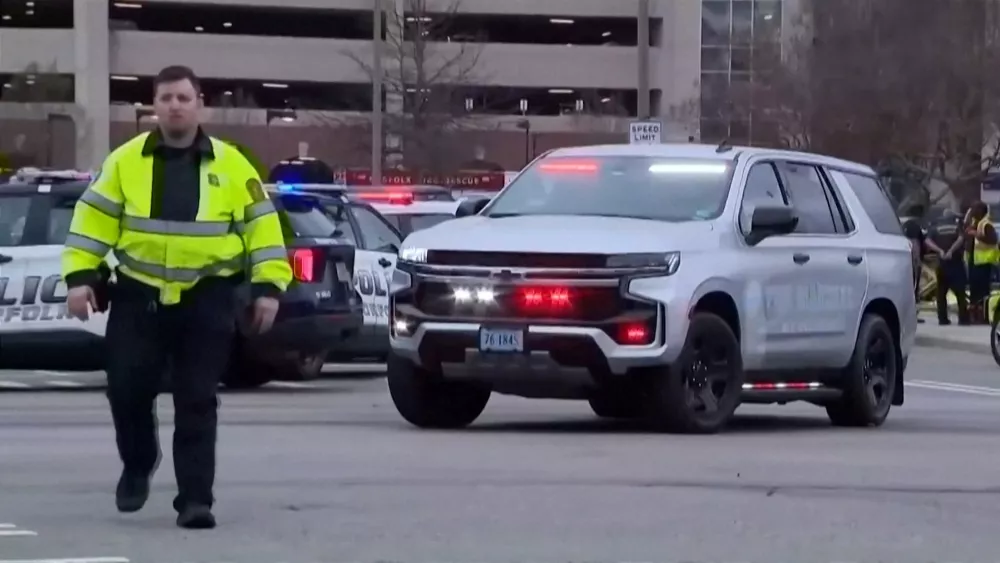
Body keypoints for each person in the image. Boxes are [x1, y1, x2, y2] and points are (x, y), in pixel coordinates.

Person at [61, 65, 292, 529]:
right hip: (137, 295)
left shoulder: (232, 165)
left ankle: (195, 500)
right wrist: (81, 278)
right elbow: (92, 222)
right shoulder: (125, 162)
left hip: (206, 298)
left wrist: (268, 289)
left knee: (197, 398)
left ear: (199, 104)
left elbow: (263, 230)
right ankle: (139, 460)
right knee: (126, 389)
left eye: (183, 98)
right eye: (166, 98)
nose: (175, 106)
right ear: (154, 107)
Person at [924, 210, 970, 325]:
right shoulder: (956, 225)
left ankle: (942, 318)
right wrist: (951, 251)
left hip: (942, 263)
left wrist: (940, 251)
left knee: (941, 293)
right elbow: (961, 239)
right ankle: (963, 319)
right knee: (960, 292)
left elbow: (927, 240)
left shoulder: (936, 226)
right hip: (956, 262)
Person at [964, 201, 999, 323]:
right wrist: (968, 214)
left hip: (984, 263)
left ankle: (983, 317)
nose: (973, 211)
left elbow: (993, 240)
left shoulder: (986, 224)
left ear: (981, 211)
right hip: (974, 262)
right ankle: (975, 316)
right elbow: (964, 227)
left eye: (975, 209)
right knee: (974, 291)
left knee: (982, 291)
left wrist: (976, 235)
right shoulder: (976, 223)